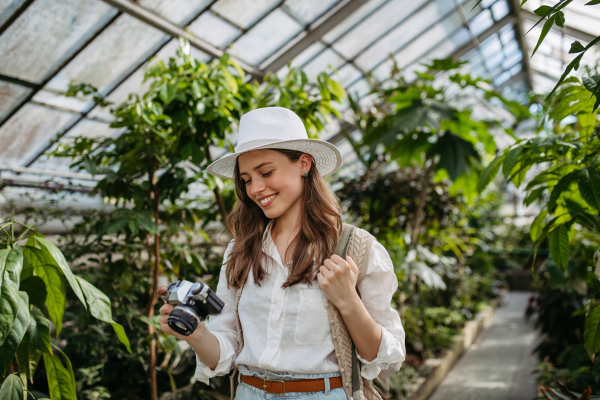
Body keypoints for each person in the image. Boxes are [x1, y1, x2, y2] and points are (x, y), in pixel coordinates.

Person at [158, 107, 405, 400]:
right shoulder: (240, 252)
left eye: (266, 172)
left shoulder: (355, 248)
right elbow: (225, 354)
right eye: (247, 179)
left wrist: (348, 301)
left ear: (304, 164)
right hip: (249, 393)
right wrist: (195, 333)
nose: (255, 188)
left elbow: (386, 359)